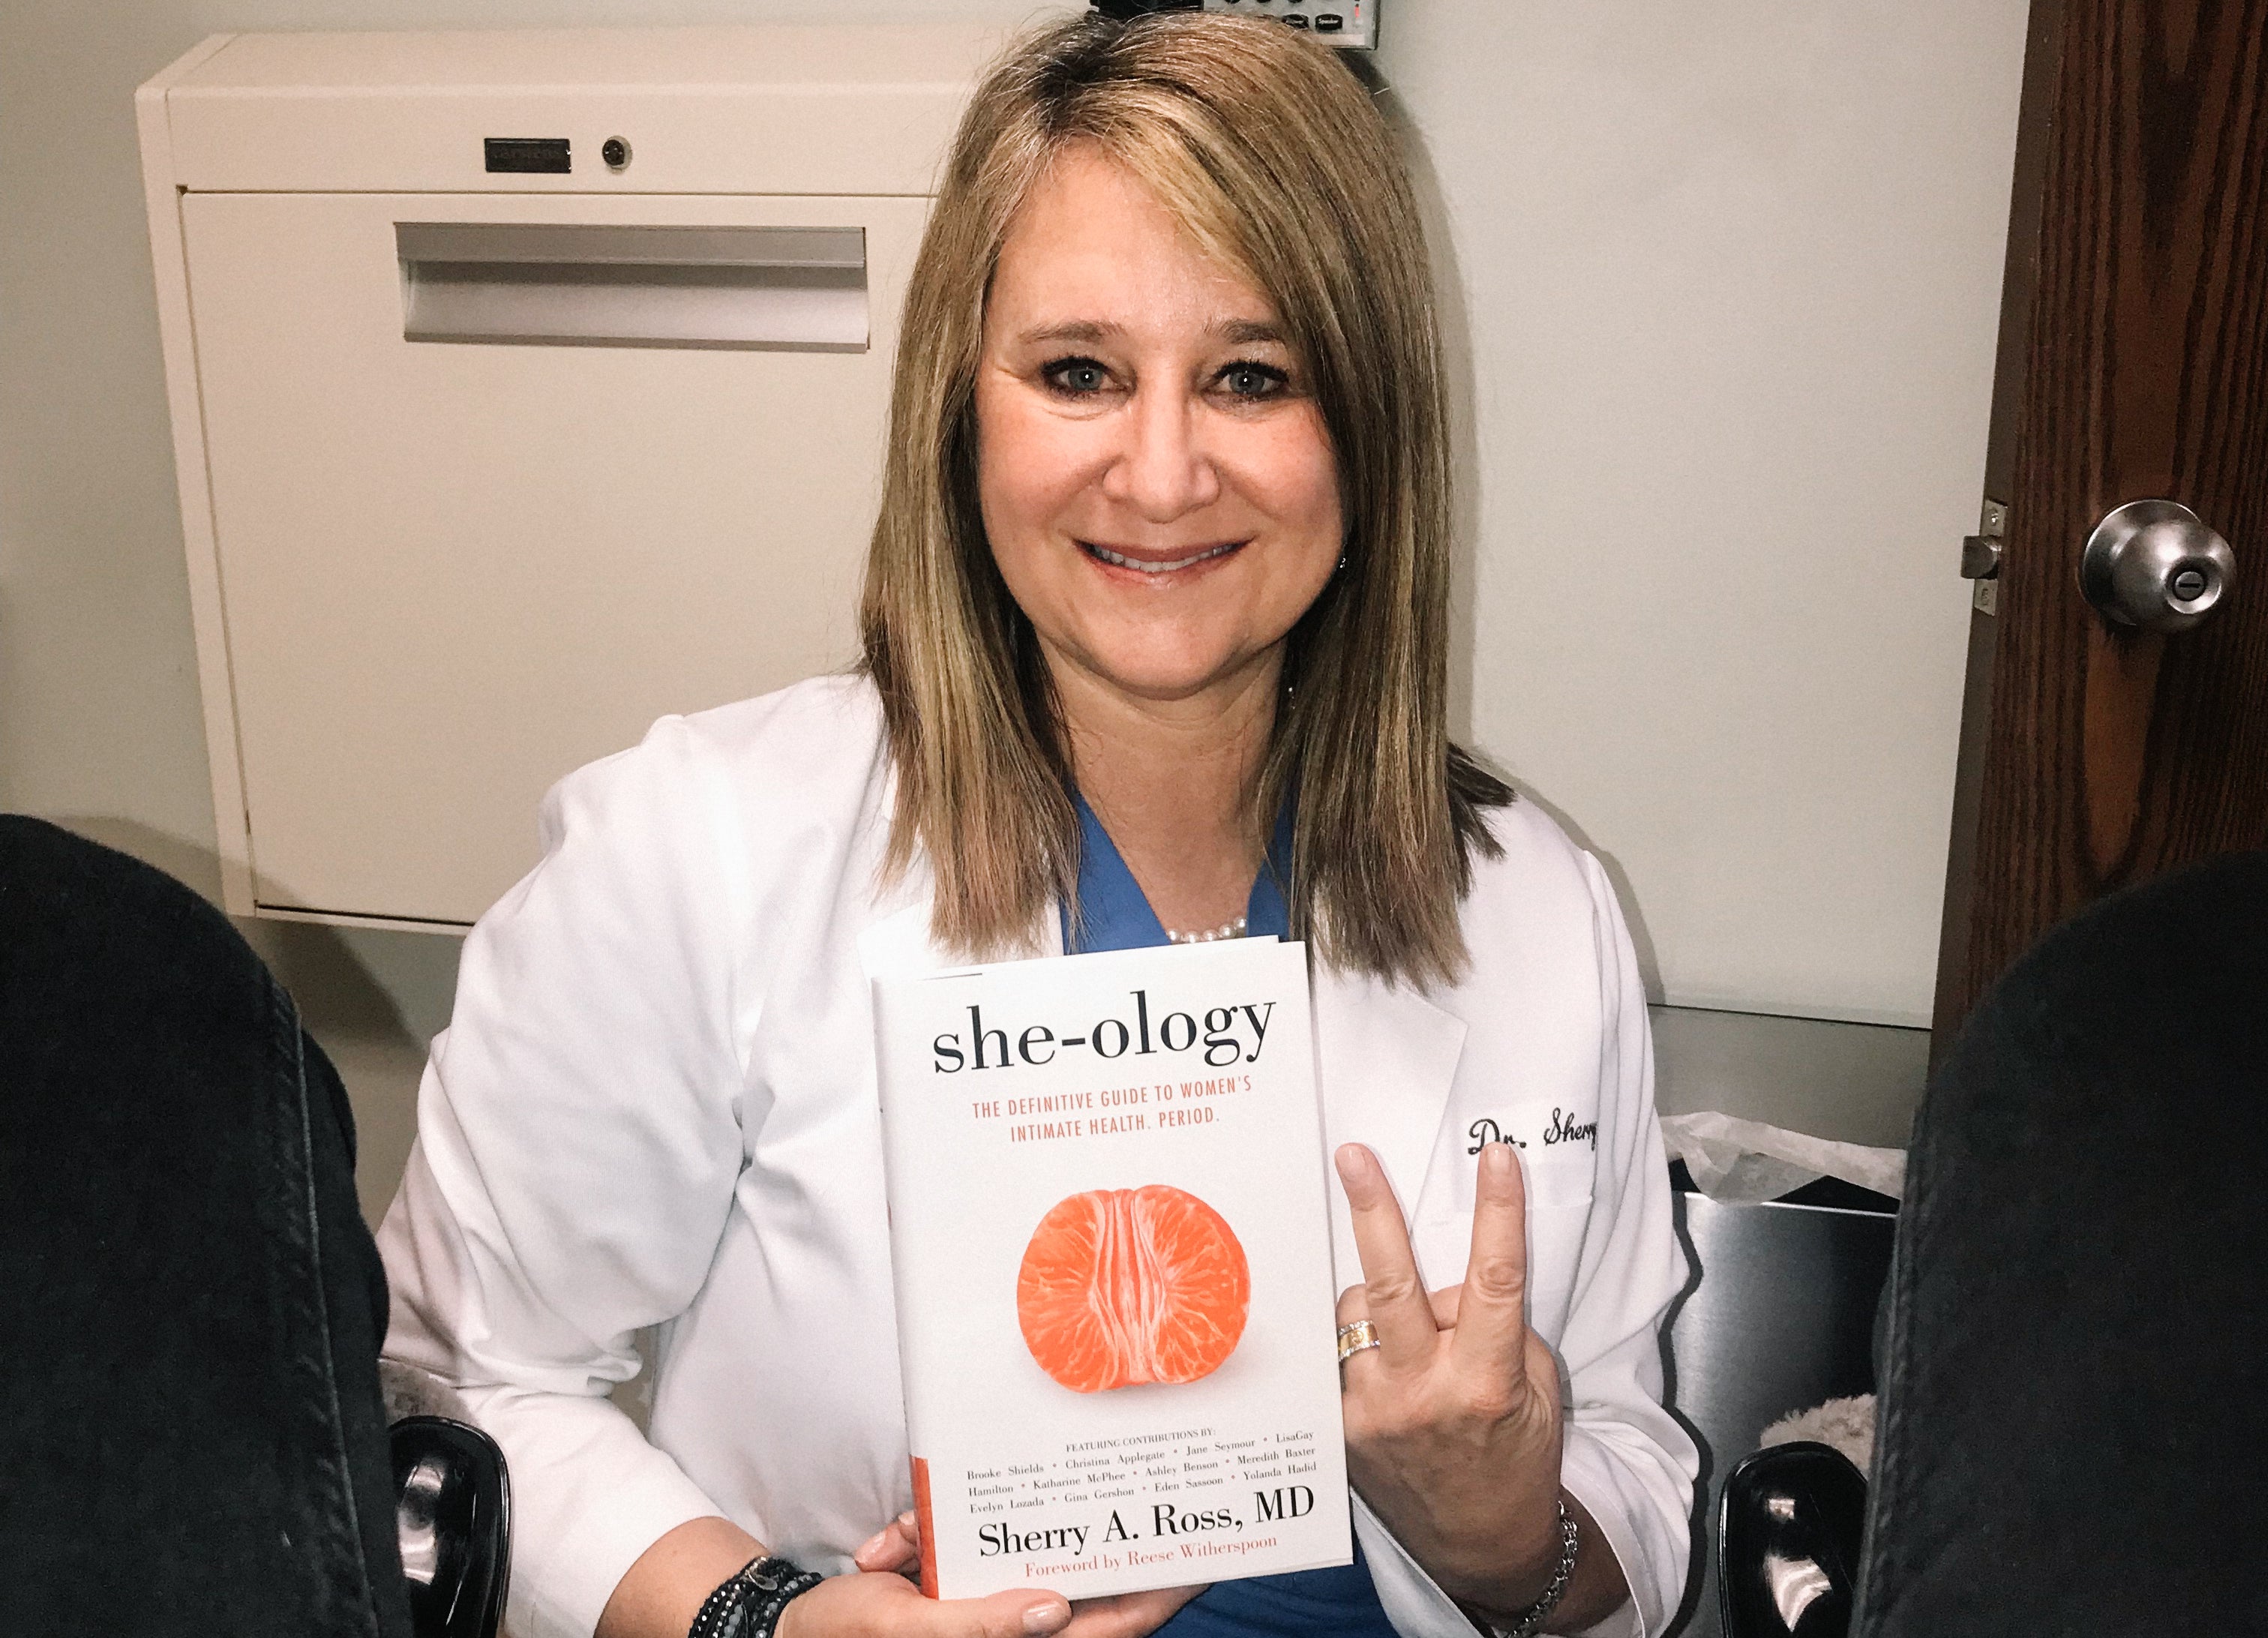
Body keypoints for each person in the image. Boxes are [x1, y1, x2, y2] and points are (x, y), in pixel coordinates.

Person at [377, 15, 1696, 1638]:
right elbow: (462, 1378)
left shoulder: (1537, 911)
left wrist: (1509, 1539)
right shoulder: (703, 850)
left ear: (1368, 434)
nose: (1160, 472)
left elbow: (1632, 1450)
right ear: (964, 413)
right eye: (1078, 372)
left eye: (1252, 377)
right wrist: (764, 1622)